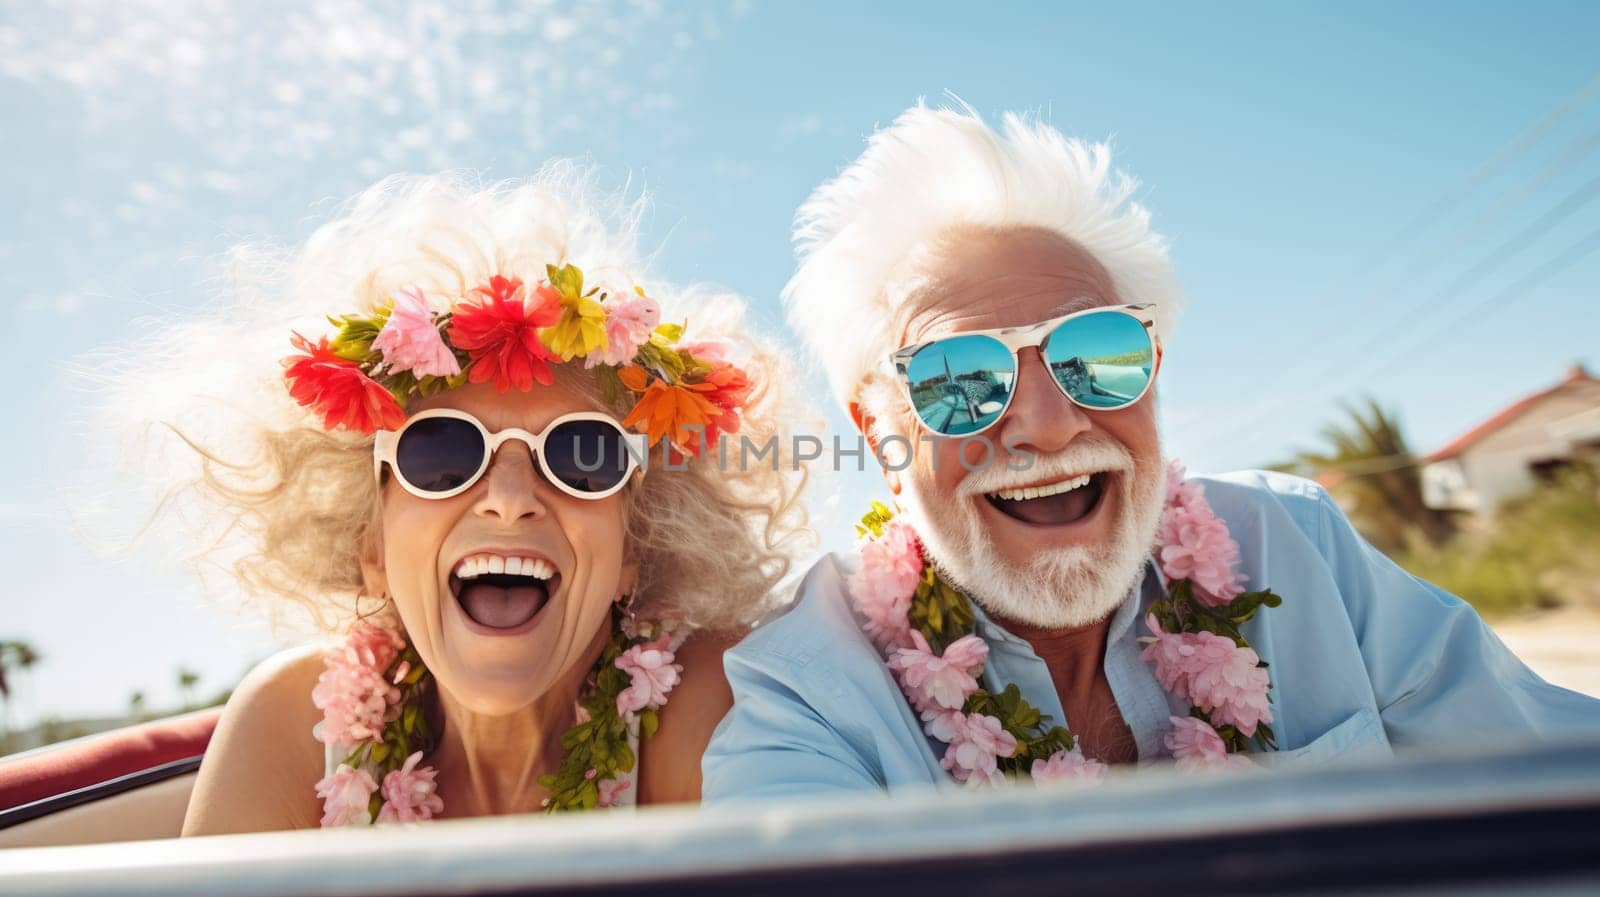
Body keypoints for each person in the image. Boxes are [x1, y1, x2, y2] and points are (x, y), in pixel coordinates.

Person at [701, 104, 1600, 799]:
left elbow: (1559, 777)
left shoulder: (1299, 547)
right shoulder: (810, 694)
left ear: (1155, 370)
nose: (1047, 425)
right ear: (879, 430)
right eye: (958, 378)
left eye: (1098, 355)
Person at [130, 167, 810, 832]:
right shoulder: (290, 723)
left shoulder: (718, 706)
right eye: (442, 452)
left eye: (581, 454)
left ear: (634, 549)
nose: (510, 500)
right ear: (370, 546)